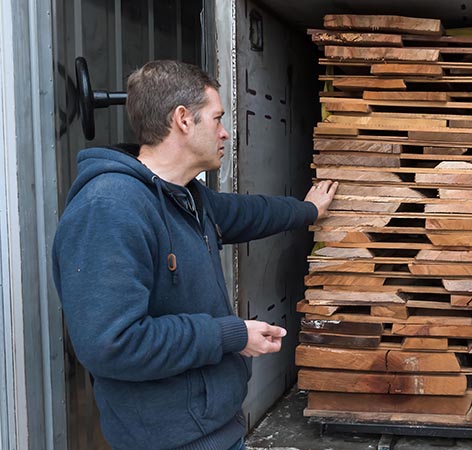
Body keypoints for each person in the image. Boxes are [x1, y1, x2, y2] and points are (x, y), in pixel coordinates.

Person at [52, 60, 337, 450]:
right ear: (183, 119)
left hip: (214, 431)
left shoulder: (187, 197)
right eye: (217, 118)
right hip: (168, 440)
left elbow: (250, 213)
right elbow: (113, 345)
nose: (224, 133)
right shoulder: (110, 209)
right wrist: (231, 335)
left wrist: (309, 211)